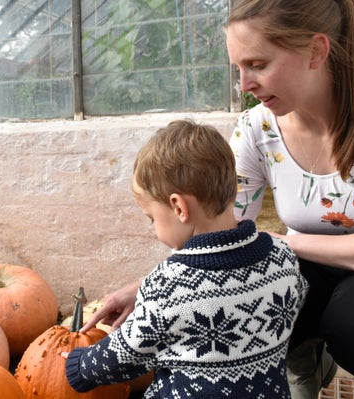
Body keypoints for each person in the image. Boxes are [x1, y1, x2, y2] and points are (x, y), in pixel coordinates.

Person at [82, 0, 354, 399]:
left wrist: (289, 243)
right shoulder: (257, 128)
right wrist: (146, 289)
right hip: (312, 270)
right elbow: (217, 238)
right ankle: (304, 363)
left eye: (257, 64)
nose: (244, 84)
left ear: (316, 51)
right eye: (238, 68)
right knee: (232, 301)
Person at [64, 119, 309, 397]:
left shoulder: (167, 285)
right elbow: (297, 298)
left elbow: (127, 354)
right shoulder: (282, 258)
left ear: (179, 207)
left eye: (152, 219)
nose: (154, 229)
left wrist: (80, 365)